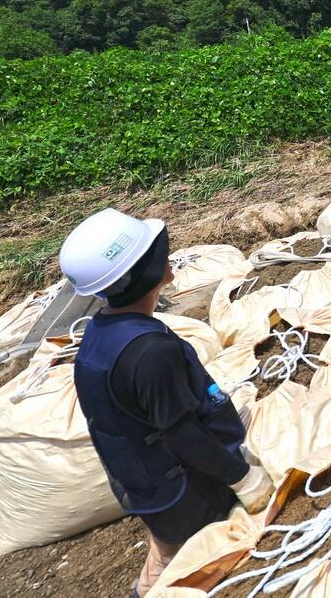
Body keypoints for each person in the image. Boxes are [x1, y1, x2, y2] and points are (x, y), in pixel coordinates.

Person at [60, 208, 275, 597]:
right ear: (142, 274)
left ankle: (151, 577)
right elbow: (181, 433)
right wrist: (240, 476)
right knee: (209, 559)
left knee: (168, 540)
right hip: (185, 489)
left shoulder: (102, 333)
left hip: (145, 482)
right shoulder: (150, 353)